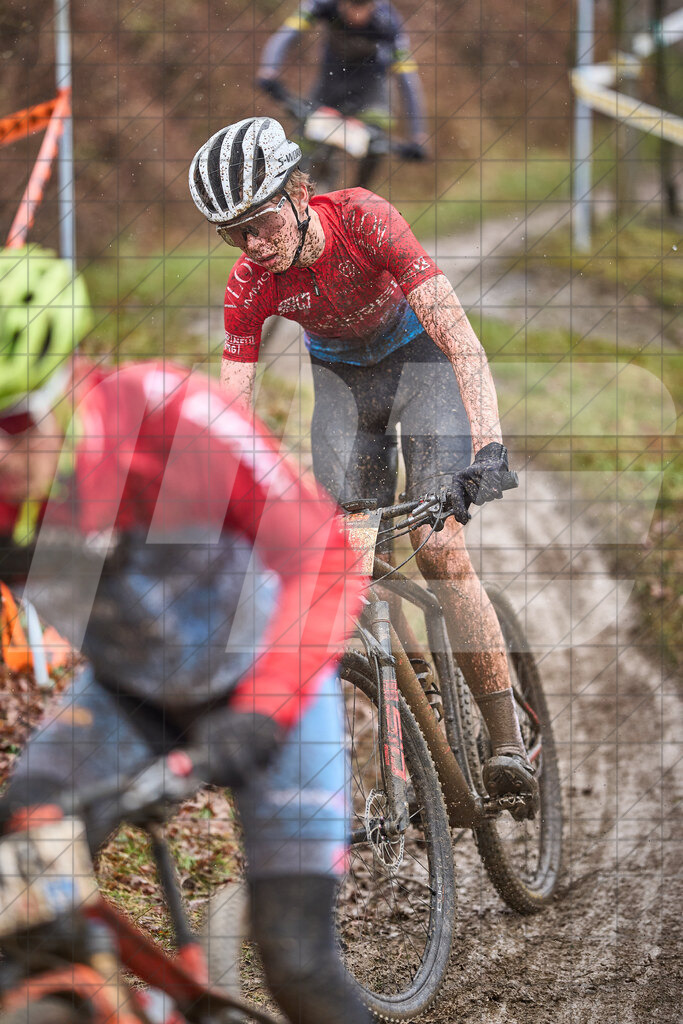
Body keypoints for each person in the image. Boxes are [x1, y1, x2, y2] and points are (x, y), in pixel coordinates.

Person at [0, 247, 369, 1024]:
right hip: (130, 695)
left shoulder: (167, 418)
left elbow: (320, 556)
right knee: (24, 890)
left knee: (298, 966)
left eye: (15, 422)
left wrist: (263, 710)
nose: (0, 455)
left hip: (267, 682)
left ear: (67, 388)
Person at [189, 117, 539, 818]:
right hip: (347, 395)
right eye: (234, 234)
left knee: (438, 549)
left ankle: (507, 740)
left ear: (297, 191)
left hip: (422, 368)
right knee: (351, 565)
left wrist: (488, 445)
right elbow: (232, 414)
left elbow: (457, 335)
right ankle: (418, 691)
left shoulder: (364, 220)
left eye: (259, 222)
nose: (254, 246)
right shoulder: (247, 285)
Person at [257, 0, 428, 185]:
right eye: (350, 6)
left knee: (375, 144)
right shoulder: (321, 5)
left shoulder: (388, 22)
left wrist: (418, 134)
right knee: (302, 144)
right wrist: (269, 70)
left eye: (363, 8)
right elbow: (286, 34)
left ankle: (361, 198)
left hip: (370, 92)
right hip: (330, 85)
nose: (356, 15)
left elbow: (407, 79)